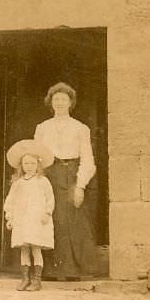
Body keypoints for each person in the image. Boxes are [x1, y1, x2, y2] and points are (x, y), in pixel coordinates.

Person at [34, 81, 98, 280]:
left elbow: (88, 159)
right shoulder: (42, 127)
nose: (59, 103)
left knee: (73, 220)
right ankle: (51, 270)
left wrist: (80, 185)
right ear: (50, 102)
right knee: (51, 219)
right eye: (56, 99)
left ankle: (72, 271)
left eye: (64, 99)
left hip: (72, 175)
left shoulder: (81, 128)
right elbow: (36, 156)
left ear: (70, 102)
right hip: (50, 175)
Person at [4, 139, 55, 291]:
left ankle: (36, 280)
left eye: (32, 164)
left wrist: (47, 213)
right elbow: (11, 200)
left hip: (37, 219)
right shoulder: (18, 183)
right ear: (21, 166)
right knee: (24, 248)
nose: (29, 167)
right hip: (22, 219)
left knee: (35, 247)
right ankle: (25, 279)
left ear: (38, 165)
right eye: (26, 164)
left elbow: (50, 198)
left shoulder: (43, 181)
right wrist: (10, 217)